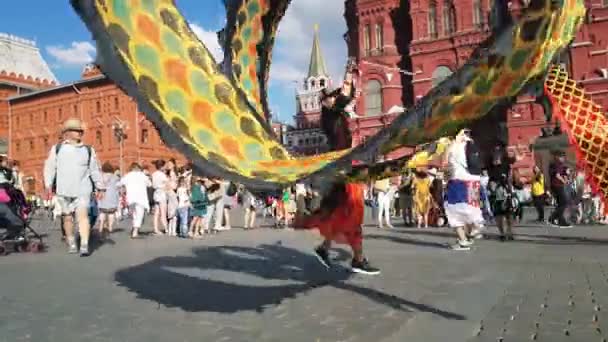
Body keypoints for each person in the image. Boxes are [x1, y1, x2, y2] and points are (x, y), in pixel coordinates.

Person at [296, 163, 380, 275]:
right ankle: (358, 260)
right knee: (351, 223)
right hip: (350, 180)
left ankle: (325, 248)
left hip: (348, 180)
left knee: (340, 220)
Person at [43, 118, 105, 256]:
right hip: (64, 189)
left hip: (83, 189)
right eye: (76, 130)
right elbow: (50, 167)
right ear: (67, 133)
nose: (79, 133)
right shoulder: (58, 149)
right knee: (67, 217)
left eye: (80, 131)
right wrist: (48, 185)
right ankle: (71, 241)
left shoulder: (88, 150)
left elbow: (94, 169)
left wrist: (100, 187)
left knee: (83, 216)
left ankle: (84, 244)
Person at [444, 129, 484, 251]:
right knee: (473, 205)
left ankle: (464, 240)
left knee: (452, 210)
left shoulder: (453, 146)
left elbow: (444, 162)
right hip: (474, 180)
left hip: (458, 181)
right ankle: (474, 228)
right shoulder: (472, 144)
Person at [119, 163, 151, 238]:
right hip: (141, 198)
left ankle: (134, 229)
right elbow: (149, 184)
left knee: (134, 215)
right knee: (139, 215)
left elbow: (120, 183)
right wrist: (147, 176)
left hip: (131, 198)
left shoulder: (128, 175)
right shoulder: (143, 176)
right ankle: (135, 232)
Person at [547, 151, 572, 228]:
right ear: (557, 157)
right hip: (557, 185)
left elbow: (564, 172)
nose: (563, 158)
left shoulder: (557, 164)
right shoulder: (556, 164)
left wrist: (567, 174)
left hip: (556, 185)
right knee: (564, 202)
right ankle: (553, 217)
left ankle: (560, 219)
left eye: (563, 156)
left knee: (561, 203)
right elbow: (557, 175)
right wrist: (564, 181)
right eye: (561, 156)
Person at [97, 162, 120, 238]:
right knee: (111, 213)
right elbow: (119, 186)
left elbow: (98, 186)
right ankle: (110, 228)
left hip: (103, 196)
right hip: (112, 196)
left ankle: (100, 227)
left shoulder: (101, 176)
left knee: (102, 212)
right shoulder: (115, 177)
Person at [492, 173, 516, 241]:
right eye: (502, 178)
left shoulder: (509, 186)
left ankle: (509, 233)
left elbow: (513, 194)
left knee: (509, 219)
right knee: (500, 219)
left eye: (504, 178)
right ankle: (503, 234)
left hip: (508, 202)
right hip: (499, 202)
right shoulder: (496, 186)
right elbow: (493, 194)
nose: (503, 180)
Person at [151, 159, 169, 235]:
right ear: (161, 166)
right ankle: (166, 228)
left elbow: (153, 184)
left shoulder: (153, 174)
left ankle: (156, 229)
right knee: (163, 212)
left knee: (156, 213)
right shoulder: (162, 175)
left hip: (156, 194)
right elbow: (167, 184)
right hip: (162, 194)